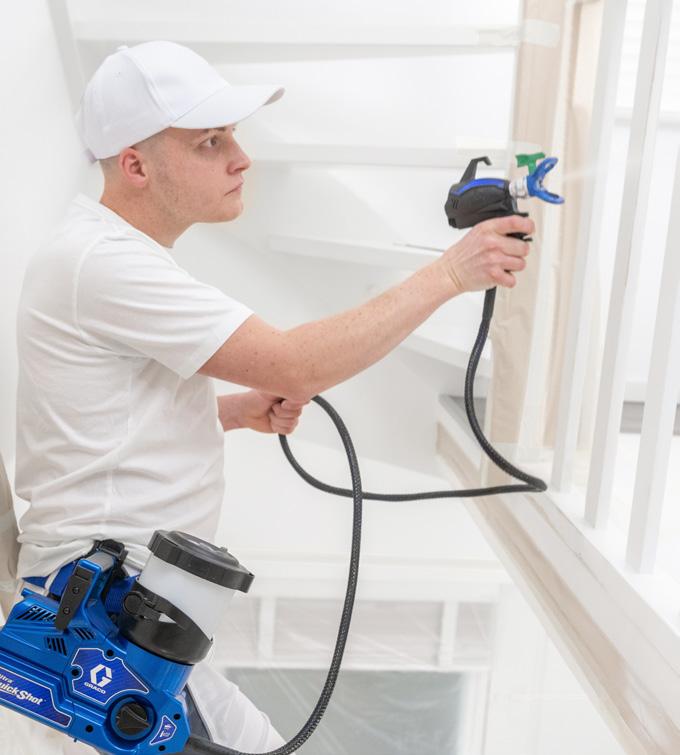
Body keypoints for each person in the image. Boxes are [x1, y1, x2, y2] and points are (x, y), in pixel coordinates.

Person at [12, 40, 534, 753]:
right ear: (135, 165)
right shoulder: (102, 264)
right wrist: (450, 274)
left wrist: (229, 411)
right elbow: (295, 363)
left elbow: (97, 421)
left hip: (116, 615)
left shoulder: (101, 255)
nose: (242, 158)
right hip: (104, 629)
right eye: (211, 141)